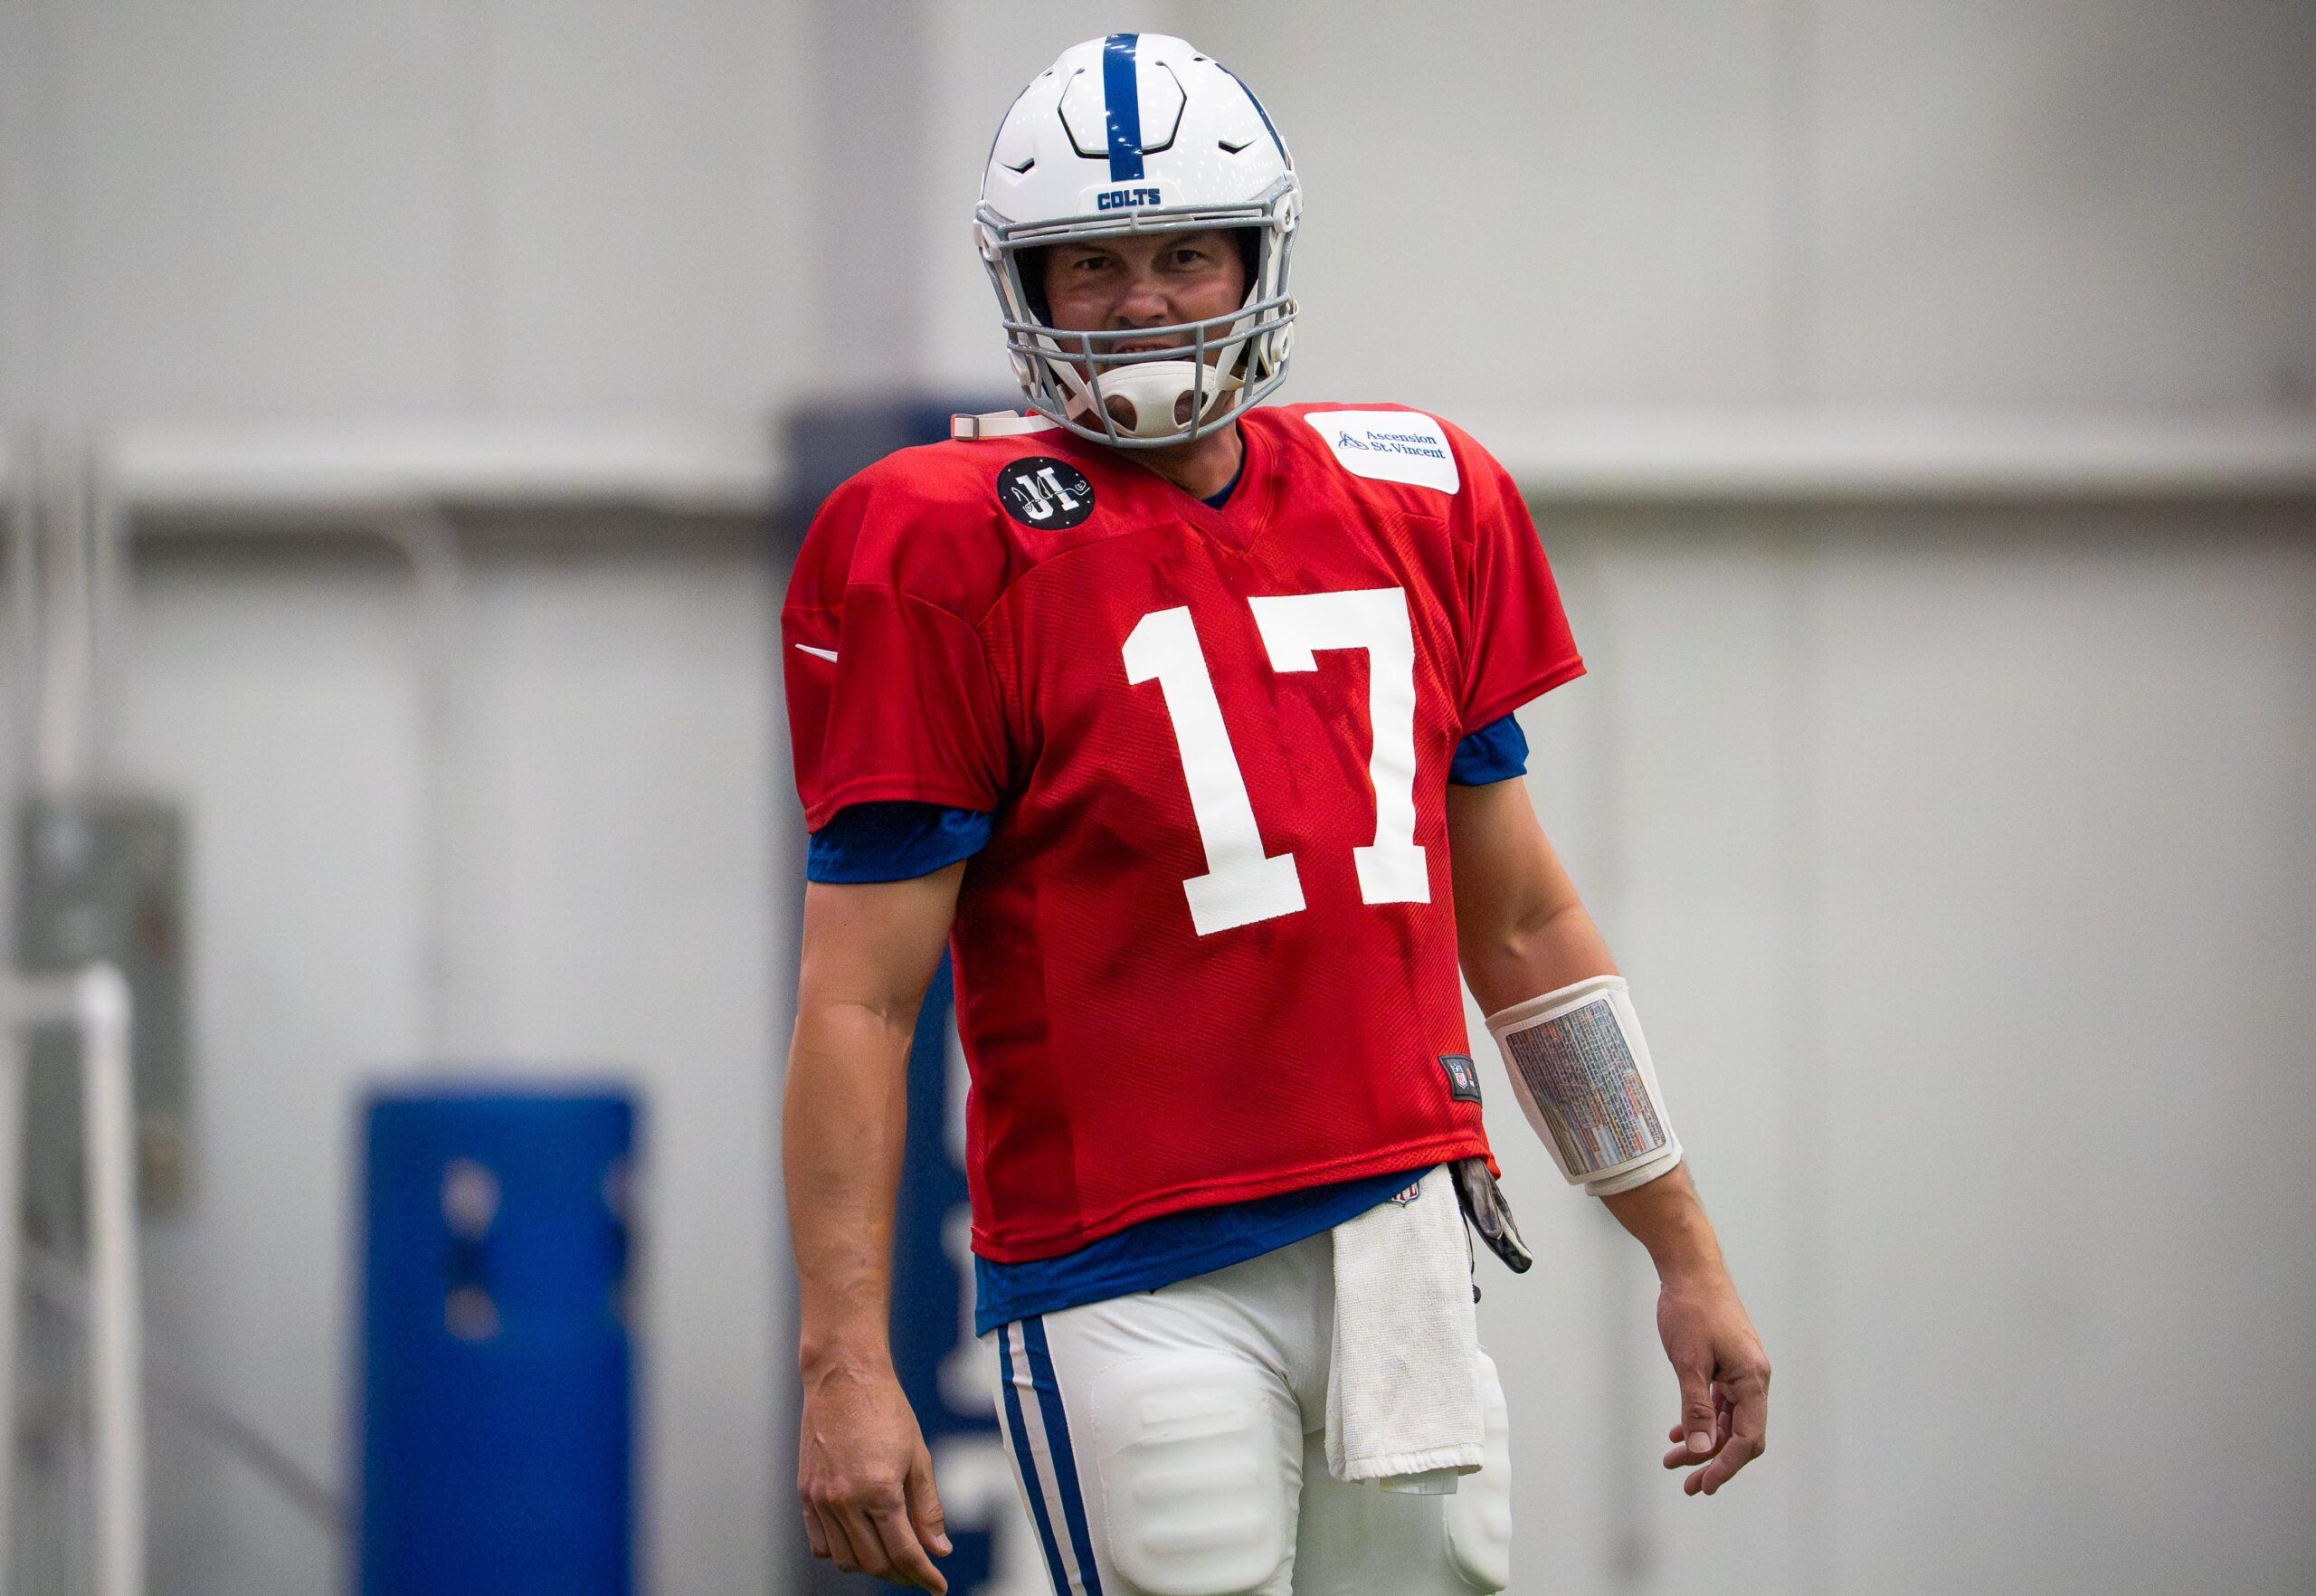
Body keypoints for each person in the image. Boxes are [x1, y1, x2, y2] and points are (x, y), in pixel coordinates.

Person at [781, 33, 1770, 1596]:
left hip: (1401, 1240)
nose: (1145, 300)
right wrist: (844, 1357)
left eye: (1184, 253)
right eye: (1091, 265)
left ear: (1260, 253)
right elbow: (857, 998)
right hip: (1129, 1267)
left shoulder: (1420, 495)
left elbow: (1518, 929)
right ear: (1023, 291)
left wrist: (1681, 1245)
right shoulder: (939, 541)